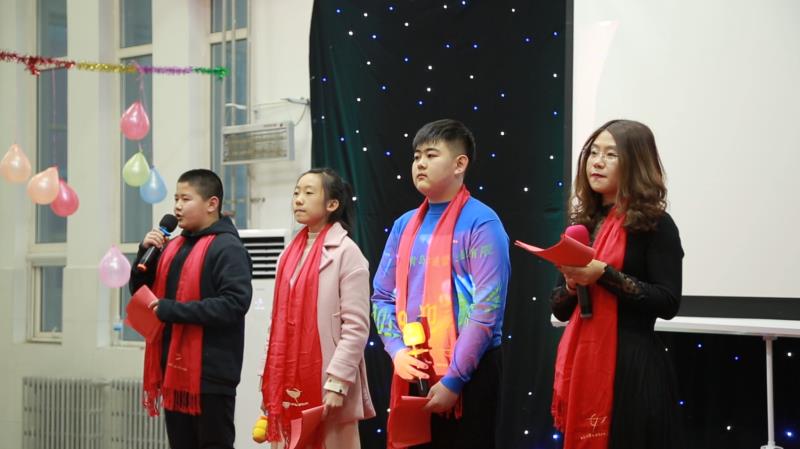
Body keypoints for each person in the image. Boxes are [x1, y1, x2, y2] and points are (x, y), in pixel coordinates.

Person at [371, 119, 511, 449]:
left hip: (471, 373)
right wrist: (396, 351)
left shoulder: (482, 223)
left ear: (460, 164)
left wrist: (454, 380)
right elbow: (381, 297)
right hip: (413, 366)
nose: (420, 163)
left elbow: (486, 310)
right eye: (416, 156)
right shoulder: (404, 225)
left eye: (431, 155)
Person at [550, 119, 684, 449]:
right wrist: (572, 286)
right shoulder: (582, 225)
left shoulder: (655, 224)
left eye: (611, 154)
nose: (597, 162)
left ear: (635, 164)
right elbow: (559, 309)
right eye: (593, 153)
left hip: (634, 369)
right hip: (584, 362)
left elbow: (668, 302)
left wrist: (604, 274)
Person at [129, 168, 253, 449]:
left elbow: (234, 304)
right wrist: (144, 253)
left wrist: (172, 310)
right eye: (176, 198)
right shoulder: (173, 245)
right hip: (173, 370)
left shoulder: (227, 247)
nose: (177, 206)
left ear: (212, 204)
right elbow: (141, 293)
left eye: (186, 199)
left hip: (210, 375)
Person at [260, 168, 375, 449]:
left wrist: (338, 382)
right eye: (296, 192)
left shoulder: (347, 252)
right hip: (285, 381)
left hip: (328, 385)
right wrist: (268, 376)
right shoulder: (288, 254)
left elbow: (356, 327)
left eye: (309, 193)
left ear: (332, 204)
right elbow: (277, 323)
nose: (298, 199)